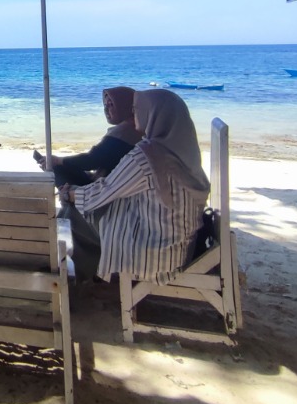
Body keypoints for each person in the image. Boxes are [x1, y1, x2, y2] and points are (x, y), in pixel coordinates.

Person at [58, 88, 209, 283]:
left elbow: (104, 192)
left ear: (151, 113)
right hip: (180, 247)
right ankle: (85, 270)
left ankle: (79, 275)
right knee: (100, 211)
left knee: (73, 213)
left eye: (137, 109)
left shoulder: (147, 155)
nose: (133, 113)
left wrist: (70, 194)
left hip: (154, 255)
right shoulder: (185, 151)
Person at [34, 86, 142, 187]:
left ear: (126, 106)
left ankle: (69, 198)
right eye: (105, 105)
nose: (106, 109)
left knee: (56, 168)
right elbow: (103, 162)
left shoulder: (124, 132)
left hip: (104, 189)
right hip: (112, 183)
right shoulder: (139, 127)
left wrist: (58, 161)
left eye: (111, 105)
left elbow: (91, 161)